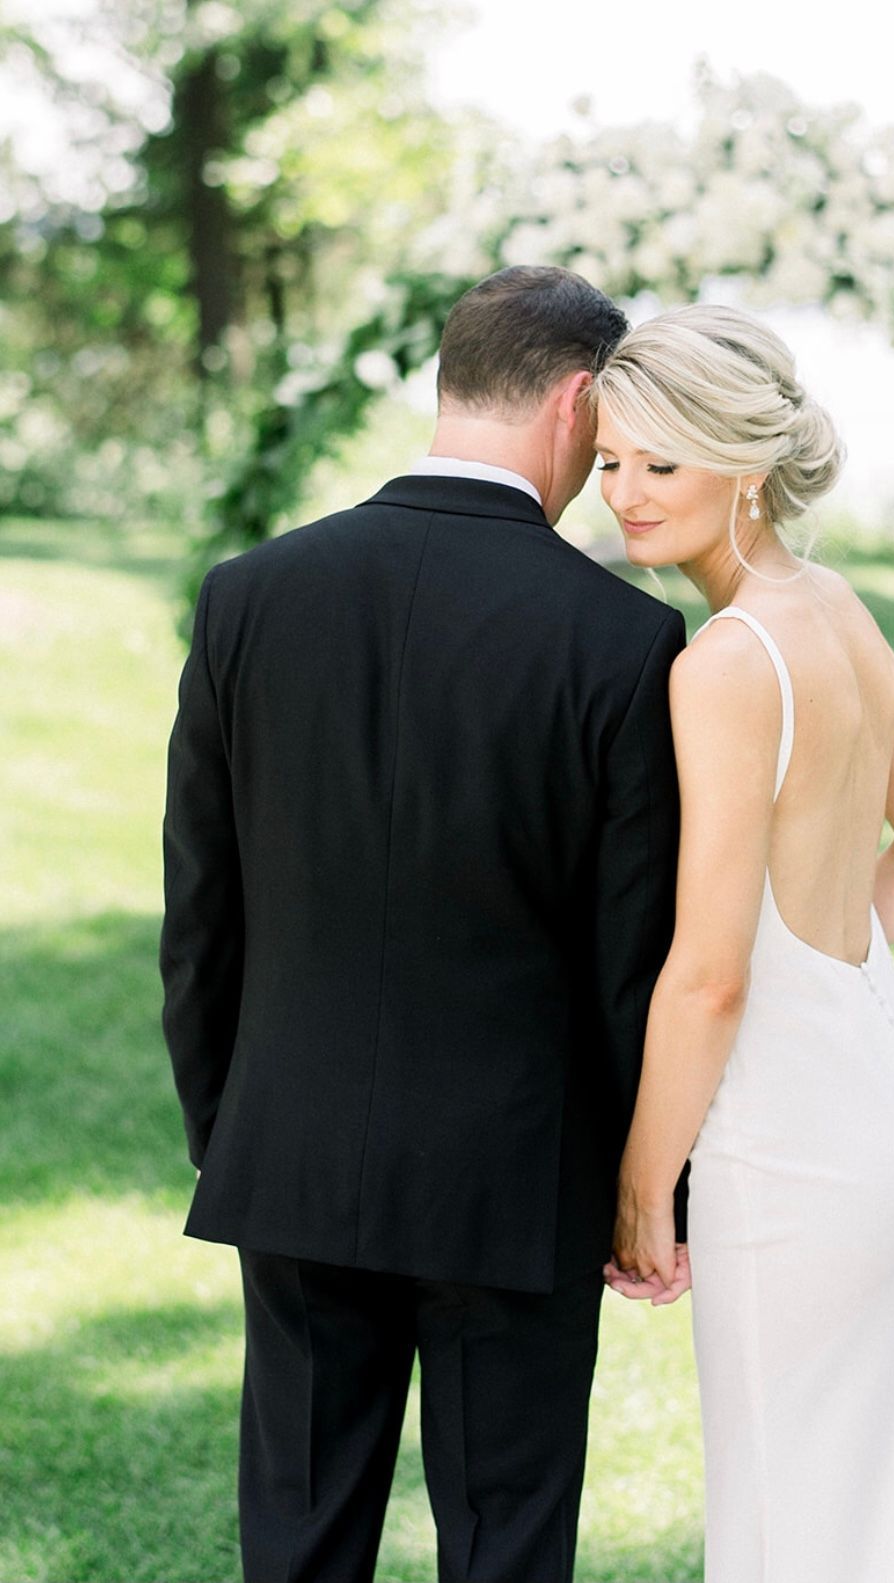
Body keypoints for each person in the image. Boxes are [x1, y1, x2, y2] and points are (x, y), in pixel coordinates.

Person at [158, 264, 689, 1583]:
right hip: (519, 1183)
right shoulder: (624, 641)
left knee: (298, 1538)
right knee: (507, 1544)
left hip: (294, 1153)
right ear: (579, 399)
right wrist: (646, 1189)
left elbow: (202, 907)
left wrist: (227, 1123)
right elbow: (635, 955)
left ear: (448, 382)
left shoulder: (247, 594)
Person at [595, 304, 894, 1580]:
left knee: (793, 1531)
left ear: (748, 466)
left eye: (662, 462)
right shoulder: (834, 605)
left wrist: (638, 1183)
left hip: (798, 1166)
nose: (625, 494)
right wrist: (824, 976)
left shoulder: (723, 663)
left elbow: (711, 971)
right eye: (611, 460)